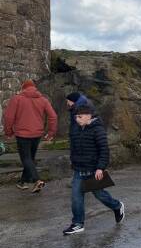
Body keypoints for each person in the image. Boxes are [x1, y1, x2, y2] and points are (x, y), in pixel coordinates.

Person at [63, 105, 125, 235]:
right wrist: (73, 161)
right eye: (76, 117)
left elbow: (104, 150)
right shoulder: (76, 129)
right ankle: (78, 224)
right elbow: (74, 148)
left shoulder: (98, 129)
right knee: (76, 197)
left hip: (93, 170)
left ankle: (117, 206)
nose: (77, 119)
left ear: (88, 116)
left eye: (80, 117)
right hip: (79, 170)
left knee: (100, 195)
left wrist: (100, 168)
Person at [2, 79, 57, 193]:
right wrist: (51, 132)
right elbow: (53, 116)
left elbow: (8, 117)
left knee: (26, 158)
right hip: (37, 134)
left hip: (22, 134)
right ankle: (22, 182)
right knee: (30, 158)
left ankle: (37, 180)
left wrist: (8, 132)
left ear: (23, 88)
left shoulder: (16, 99)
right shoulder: (43, 100)